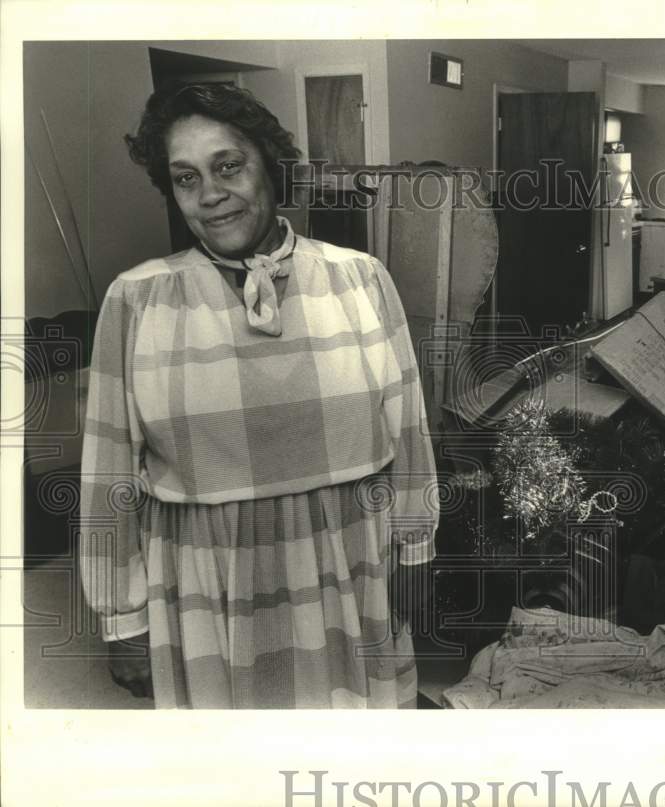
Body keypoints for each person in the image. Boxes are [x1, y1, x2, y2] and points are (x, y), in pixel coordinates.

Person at [79, 82, 438, 708]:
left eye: (228, 166)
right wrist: (122, 618)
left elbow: (407, 426)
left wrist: (415, 550)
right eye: (186, 178)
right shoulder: (137, 299)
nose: (211, 194)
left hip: (351, 563)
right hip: (209, 584)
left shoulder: (359, 278)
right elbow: (108, 470)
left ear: (271, 168)